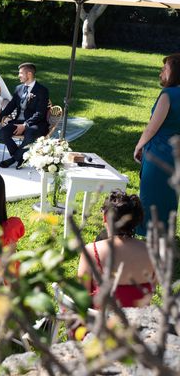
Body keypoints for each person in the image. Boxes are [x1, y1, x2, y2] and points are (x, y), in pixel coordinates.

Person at [77, 191, 156, 308]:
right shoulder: (153, 253)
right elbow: (151, 290)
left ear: (105, 217)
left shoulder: (91, 251)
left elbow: (80, 297)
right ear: (136, 221)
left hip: (102, 324)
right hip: (138, 323)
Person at [134, 54, 180, 236]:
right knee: (169, 196)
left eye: (164, 69)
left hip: (158, 152)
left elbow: (152, 128)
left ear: (174, 73)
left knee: (151, 194)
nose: (161, 73)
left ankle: (148, 233)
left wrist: (138, 146)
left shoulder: (168, 94)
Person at [0, 63, 50, 169]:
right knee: (3, 132)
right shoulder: (19, 88)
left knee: (30, 133)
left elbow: (40, 113)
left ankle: (12, 159)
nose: (19, 75)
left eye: (21, 73)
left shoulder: (42, 90)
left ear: (29, 74)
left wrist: (25, 125)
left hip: (36, 124)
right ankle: (20, 158)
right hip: (18, 121)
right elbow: (10, 107)